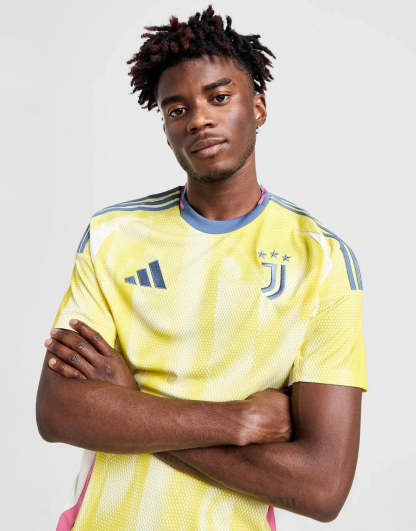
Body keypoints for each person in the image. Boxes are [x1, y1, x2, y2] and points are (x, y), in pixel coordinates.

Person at [36, 5, 368, 530]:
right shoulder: (112, 237)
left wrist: (129, 405)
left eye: (219, 97)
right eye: (176, 109)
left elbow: (322, 487)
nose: (199, 119)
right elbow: (59, 412)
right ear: (166, 129)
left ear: (258, 107)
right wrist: (235, 421)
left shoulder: (322, 260)